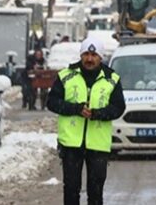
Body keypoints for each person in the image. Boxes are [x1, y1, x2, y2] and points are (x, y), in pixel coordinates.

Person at [47, 37, 126, 205]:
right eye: (86, 54)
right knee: (71, 190)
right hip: (71, 145)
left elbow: (118, 107)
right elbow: (52, 102)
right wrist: (76, 109)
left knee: (96, 192)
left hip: (98, 145)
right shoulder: (65, 76)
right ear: (81, 55)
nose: (89, 59)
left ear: (101, 57)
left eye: (94, 55)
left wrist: (97, 113)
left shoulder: (112, 79)